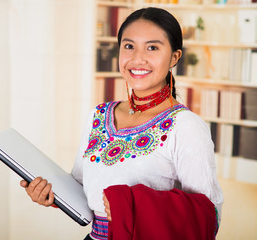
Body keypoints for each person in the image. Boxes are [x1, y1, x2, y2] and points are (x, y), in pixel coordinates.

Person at [20, 7, 223, 240]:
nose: (137, 58)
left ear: (175, 57)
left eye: (153, 47)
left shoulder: (186, 126)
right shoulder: (98, 116)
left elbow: (208, 214)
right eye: (129, 46)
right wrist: (51, 196)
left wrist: (129, 203)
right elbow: (82, 188)